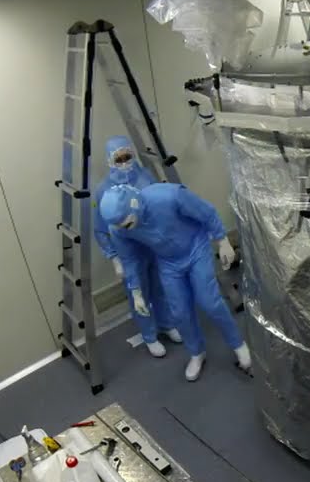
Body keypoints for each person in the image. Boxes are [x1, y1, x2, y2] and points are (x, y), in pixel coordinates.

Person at [99, 182, 249, 381]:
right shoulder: (119, 229)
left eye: (126, 223)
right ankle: (196, 352)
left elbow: (207, 212)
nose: (124, 229)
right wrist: (136, 292)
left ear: (135, 205)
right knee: (180, 312)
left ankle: (238, 344)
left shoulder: (169, 196)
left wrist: (223, 241)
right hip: (168, 262)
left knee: (209, 302)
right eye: (120, 226)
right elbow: (130, 260)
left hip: (196, 248)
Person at [92, 135, 180, 358]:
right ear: (109, 160)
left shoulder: (145, 176)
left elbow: (158, 207)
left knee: (160, 286)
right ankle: (149, 335)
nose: (124, 161)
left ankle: (167, 324)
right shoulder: (104, 190)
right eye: (118, 158)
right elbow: (101, 227)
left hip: (152, 244)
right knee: (138, 293)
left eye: (127, 156)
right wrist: (114, 258)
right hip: (129, 250)